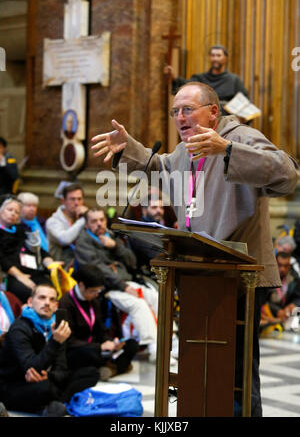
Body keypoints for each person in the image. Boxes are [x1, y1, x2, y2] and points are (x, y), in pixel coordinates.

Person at [91, 81, 299, 416]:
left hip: (240, 275)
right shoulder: (186, 149)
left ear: (213, 112)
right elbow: (159, 168)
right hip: (199, 273)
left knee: (236, 371)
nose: (180, 116)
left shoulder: (240, 136)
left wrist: (228, 150)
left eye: (188, 109)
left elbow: (288, 173)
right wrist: (127, 147)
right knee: (200, 365)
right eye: (175, 111)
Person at [0, 283, 99, 416]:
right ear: (30, 302)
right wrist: (55, 341)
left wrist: (50, 376)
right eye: (42, 298)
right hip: (16, 384)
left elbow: (61, 368)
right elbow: (31, 367)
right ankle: (56, 404)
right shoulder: (20, 328)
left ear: (56, 306)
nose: (47, 303)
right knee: (46, 388)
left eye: (52, 300)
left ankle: (51, 405)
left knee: (91, 373)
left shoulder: (56, 327)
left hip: (44, 380)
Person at [74, 207, 159, 361]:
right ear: (86, 225)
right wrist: (123, 286)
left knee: (155, 296)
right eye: (94, 221)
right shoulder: (83, 243)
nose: (99, 224)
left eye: (101, 220)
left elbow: (132, 262)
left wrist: (115, 246)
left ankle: (170, 338)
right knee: (137, 304)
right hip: (105, 288)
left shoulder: (112, 237)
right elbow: (99, 271)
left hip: (125, 281)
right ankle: (153, 345)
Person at [59, 264, 138, 380]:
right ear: (81, 285)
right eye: (93, 291)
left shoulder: (94, 301)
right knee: (88, 354)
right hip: (79, 350)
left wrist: (111, 342)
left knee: (132, 344)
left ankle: (109, 369)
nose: (96, 294)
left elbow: (101, 330)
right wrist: (99, 347)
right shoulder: (65, 303)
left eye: (98, 290)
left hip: (98, 349)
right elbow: (68, 341)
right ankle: (116, 367)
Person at [0, 195, 57, 303]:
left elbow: (37, 249)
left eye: (16, 212)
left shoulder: (20, 230)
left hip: (33, 271)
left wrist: (50, 262)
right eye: (10, 210)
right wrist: (20, 276)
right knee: (29, 292)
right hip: (12, 275)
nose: (13, 213)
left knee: (50, 291)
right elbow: (2, 259)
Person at [165, 45, 249, 117]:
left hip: (226, 120)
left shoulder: (234, 80)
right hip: (204, 119)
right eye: (212, 55)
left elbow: (244, 102)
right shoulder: (201, 78)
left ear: (225, 58)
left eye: (218, 55)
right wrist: (174, 77)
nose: (215, 58)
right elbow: (186, 86)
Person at [46, 183, 89, 269]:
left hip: (84, 265)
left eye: (79, 199)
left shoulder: (84, 217)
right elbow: (64, 239)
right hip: (62, 270)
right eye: (72, 199)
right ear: (63, 201)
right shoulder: (53, 221)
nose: (76, 203)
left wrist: (89, 216)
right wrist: (83, 219)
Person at [261, 252, 300, 328]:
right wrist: (277, 310)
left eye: (286, 266)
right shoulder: (266, 279)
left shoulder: (294, 278)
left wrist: (294, 304)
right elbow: (262, 300)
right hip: (267, 317)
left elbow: (298, 296)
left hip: (287, 319)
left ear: (289, 265)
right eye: (279, 265)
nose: (282, 269)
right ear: (274, 264)